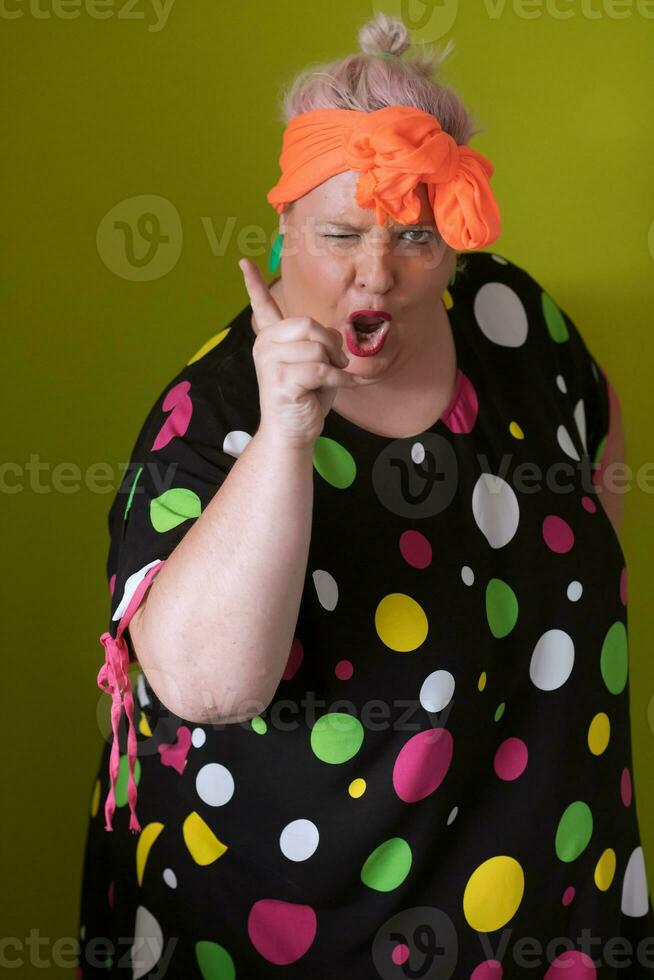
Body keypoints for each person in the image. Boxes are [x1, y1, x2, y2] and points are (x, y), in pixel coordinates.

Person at [77, 12, 653, 978]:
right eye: (340, 233)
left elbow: (596, 455)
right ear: (284, 223)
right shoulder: (208, 415)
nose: (375, 275)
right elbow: (209, 689)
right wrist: (290, 434)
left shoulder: (514, 321)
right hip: (287, 920)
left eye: (416, 238)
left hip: (533, 891)